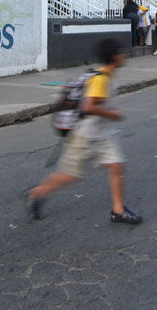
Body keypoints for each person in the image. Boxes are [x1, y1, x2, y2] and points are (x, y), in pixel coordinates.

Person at [26, 38, 142, 225]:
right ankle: (35, 193)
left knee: (116, 165)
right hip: (84, 136)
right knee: (69, 174)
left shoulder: (106, 75)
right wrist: (112, 114)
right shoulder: (100, 79)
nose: (125, 55)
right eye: (122, 52)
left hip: (100, 135)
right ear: (114, 57)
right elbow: (88, 106)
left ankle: (118, 210)